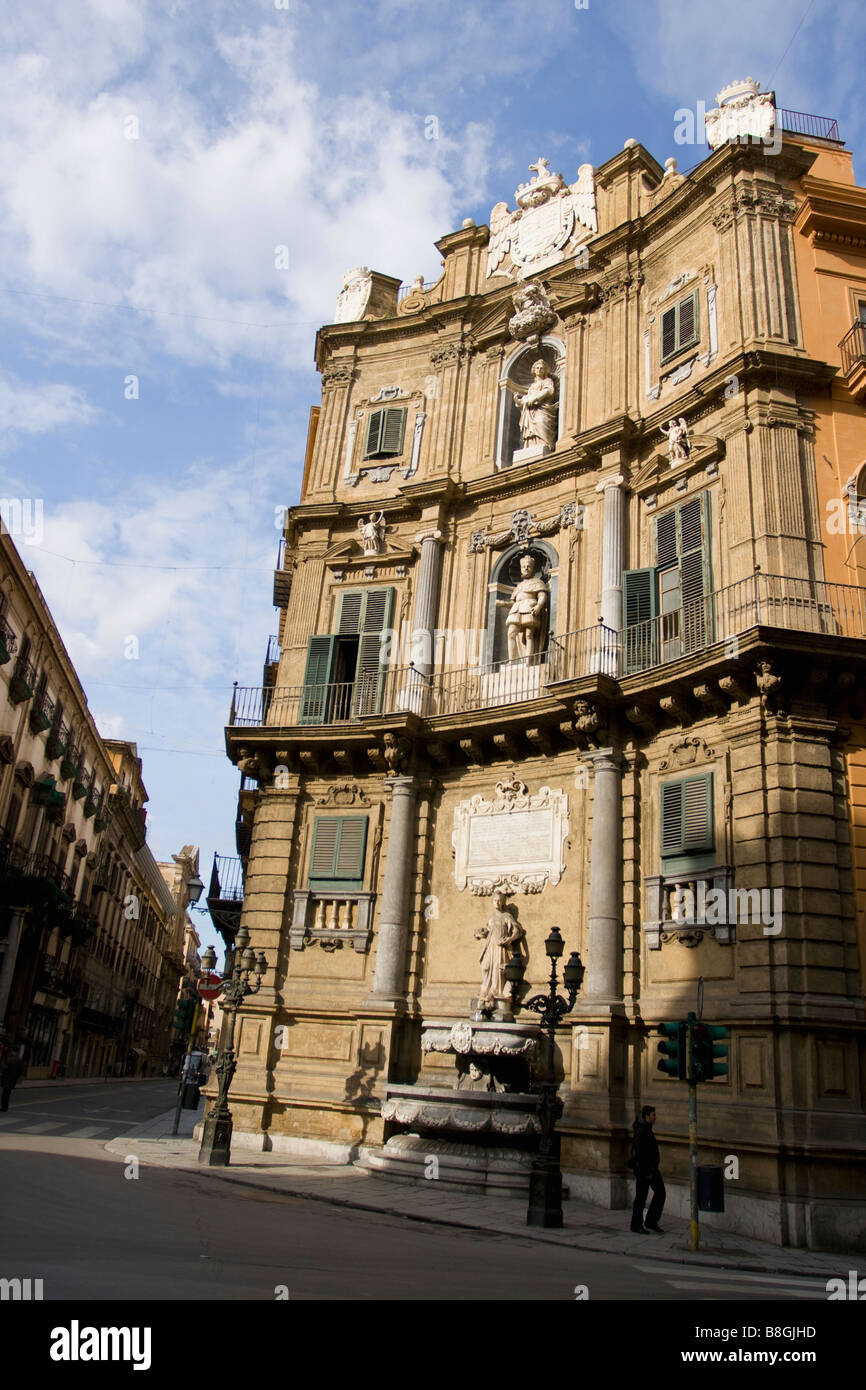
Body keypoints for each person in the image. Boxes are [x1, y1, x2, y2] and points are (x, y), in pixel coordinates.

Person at [630, 1104, 666, 1233]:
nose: (655, 1118)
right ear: (647, 1116)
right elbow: (640, 1154)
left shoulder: (646, 1128)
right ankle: (637, 1225)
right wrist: (648, 1172)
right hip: (645, 1170)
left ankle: (649, 1221)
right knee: (642, 1197)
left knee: (658, 1193)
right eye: (653, 1115)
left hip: (650, 1169)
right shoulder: (642, 1130)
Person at [0, 1048, 25, 1112]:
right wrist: (16, 1077)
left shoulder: (9, 1059)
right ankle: (5, 1107)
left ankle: (4, 1107)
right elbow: (21, 1070)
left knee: (5, 1094)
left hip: (7, 1078)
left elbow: (4, 1068)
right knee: (7, 1093)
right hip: (12, 1079)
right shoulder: (19, 1060)